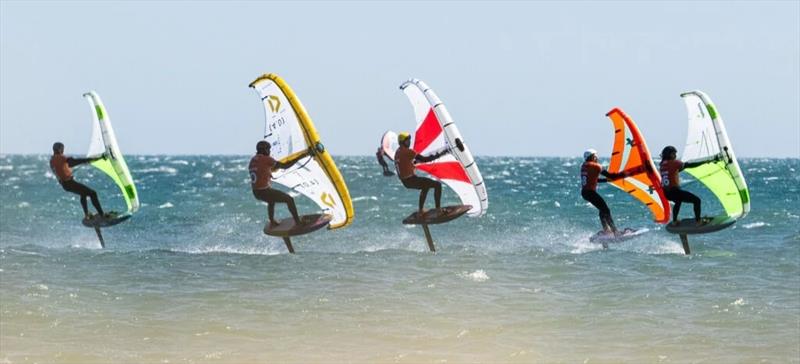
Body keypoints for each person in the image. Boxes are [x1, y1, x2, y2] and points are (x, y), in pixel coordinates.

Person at [249, 140, 313, 227]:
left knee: (271, 200)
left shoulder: (253, 160)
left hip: (256, 192)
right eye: (269, 149)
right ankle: (298, 223)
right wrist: (303, 155)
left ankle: (272, 221)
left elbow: (262, 170)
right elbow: (285, 166)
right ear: (264, 150)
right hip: (264, 191)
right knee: (289, 199)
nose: (270, 152)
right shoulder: (266, 159)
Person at [394, 132, 449, 216]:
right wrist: (441, 154)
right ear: (402, 142)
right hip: (411, 179)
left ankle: (420, 210)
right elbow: (425, 159)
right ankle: (438, 209)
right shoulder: (408, 151)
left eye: (409, 140)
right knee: (437, 185)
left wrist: (414, 162)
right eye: (407, 141)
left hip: (405, 182)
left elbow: (405, 162)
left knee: (425, 186)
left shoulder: (397, 152)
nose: (409, 143)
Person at [50, 142, 107, 220]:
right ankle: (102, 215)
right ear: (60, 149)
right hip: (69, 183)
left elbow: (62, 169)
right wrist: (98, 158)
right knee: (93, 193)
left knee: (83, 193)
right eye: (62, 149)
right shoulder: (61, 158)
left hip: (65, 185)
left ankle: (87, 215)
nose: (63, 151)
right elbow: (75, 162)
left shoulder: (52, 160)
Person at [659, 145, 713, 225]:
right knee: (697, 200)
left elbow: (672, 172)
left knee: (678, 201)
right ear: (670, 154)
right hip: (675, 192)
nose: (676, 156)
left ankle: (674, 221)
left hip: (667, 194)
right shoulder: (674, 162)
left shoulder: (662, 165)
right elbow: (688, 165)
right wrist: (705, 162)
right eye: (674, 154)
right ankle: (698, 221)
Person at [580, 149, 626, 235]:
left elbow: (594, 180)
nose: (597, 158)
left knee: (602, 210)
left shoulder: (584, 165)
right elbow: (612, 176)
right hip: (590, 193)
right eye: (596, 156)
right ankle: (615, 232)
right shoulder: (596, 166)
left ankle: (606, 230)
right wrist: (624, 174)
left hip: (585, 193)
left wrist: (607, 180)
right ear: (593, 156)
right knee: (606, 210)